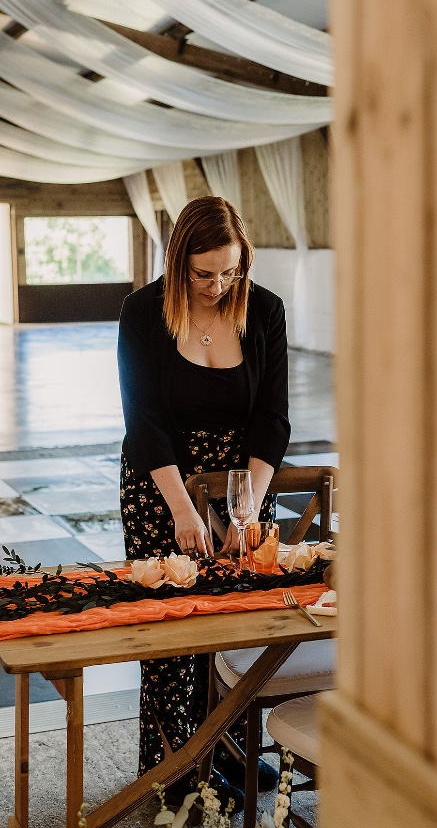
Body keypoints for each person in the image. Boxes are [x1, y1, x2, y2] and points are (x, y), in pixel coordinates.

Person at [117, 196, 290, 810]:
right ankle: (172, 777)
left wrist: (248, 505)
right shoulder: (142, 313)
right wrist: (183, 512)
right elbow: (144, 422)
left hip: (241, 486)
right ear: (178, 262)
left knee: (233, 630)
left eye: (230, 271)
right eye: (204, 274)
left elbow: (272, 419)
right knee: (171, 633)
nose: (218, 285)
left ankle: (220, 752)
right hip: (161, 483)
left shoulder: (264, 310)